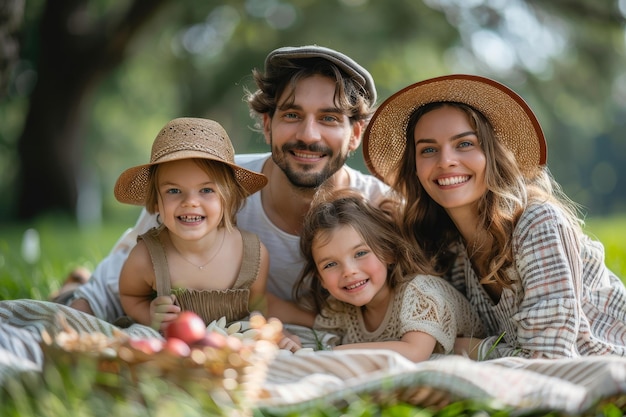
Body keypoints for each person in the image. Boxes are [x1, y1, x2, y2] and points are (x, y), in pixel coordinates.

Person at [55, 45, 389, 323]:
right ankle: (72, 285)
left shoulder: (379, 207)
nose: (308, 135)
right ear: (268, 124)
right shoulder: (209, 181)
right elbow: (121, 275)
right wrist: (71, 318)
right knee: (74, 298)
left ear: (356, 134)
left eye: (329, 118)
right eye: (292, 115)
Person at [363, 74, 626, 360]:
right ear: (415, 168)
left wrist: (471, 348)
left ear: (492, 154)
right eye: (428, 150)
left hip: (607, 367)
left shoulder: (538, 223)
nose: (445, 161)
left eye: (464, 144)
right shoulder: (447, 247)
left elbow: (549, 359)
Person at [274, 188, 485, 362]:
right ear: (320, 278)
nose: (349, 271)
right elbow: (286, 315)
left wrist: (332, 355)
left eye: (361, 253)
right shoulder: (341, 309)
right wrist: (283, 336)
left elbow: (414, 352)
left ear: (389, 253)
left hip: (483, 355)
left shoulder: (421, 292)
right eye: (330, 264)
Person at [114, 117, 269, 331]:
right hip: (171, 350)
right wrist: (148, 314)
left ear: (228, 198)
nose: (190, 202)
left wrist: (260, 323)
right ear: (156, 201)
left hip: (231, 352)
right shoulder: (146, 258)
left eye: (206, 190)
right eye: (174, 191)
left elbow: (257, 305)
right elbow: (130, 295)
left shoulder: (251, 254)